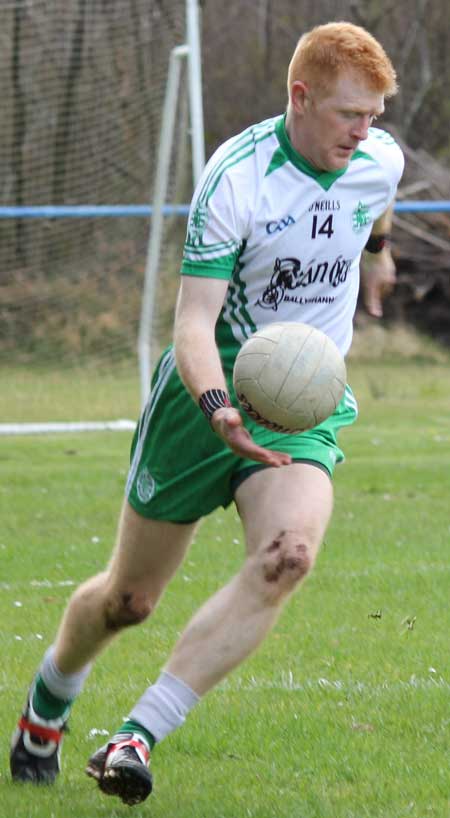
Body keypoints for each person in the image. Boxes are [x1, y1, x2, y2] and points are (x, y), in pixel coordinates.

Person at [10, 21, 404, 806]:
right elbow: (192, 321)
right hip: (204, 400)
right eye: (348, 115)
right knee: (129, 600)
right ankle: (49, 699)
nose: (365, 134)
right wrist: (220, 406)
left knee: (288, 555)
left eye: (375, 117)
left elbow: (376, 207)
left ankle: (136, 735)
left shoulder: (377, 160)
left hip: (301, 410)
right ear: (300, 97)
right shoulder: (238, 177)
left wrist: (378, 255)